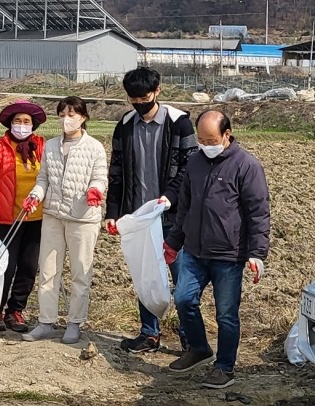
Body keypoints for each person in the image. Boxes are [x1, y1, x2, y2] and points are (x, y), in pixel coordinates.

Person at [163, 109, 270, 389]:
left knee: (226, 314)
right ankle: (199, 348)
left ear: (227, 135)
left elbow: (258, 213)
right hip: (194, 251)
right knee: (184, 299)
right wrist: (173, 242)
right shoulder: (195, 163)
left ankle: (224, 367)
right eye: (201, 140)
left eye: (211, 140)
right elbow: (184, 206)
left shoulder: (247, 166)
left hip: (229, 255)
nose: (206, 146)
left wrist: (257, 253)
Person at [105, 67, 198, 354]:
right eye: (132, 98)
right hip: (139, 217)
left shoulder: (179, 123)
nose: (138, 103)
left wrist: (170, 197)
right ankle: (149, 333)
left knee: (182, 279)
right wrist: (112, 211)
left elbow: (189, 168)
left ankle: (190, 337)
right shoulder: (125, 125)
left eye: (143, 97)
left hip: (173, 217)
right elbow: (116, 171)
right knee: (144, 275)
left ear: (158, 90)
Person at [22, 96, 107, 345]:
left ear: (83, 117)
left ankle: (74, 323)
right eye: (62, 114)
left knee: (81, 271)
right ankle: (45, 322)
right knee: (48, 270)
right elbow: (43, 179)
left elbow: (100, 177)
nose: (66, 119)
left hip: (83, 218)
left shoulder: (94, 147)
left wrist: (95, 191)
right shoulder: (50, 146)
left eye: (72, 114)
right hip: (53, 215)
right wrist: (35, 196)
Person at [0, 100, 47, 333]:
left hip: (36, 218)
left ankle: (16, 310)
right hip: (7, 217)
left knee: (28, 266)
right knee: (5, 266)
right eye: (18, 121)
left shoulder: (42, 147)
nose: (22, 126)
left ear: (33, 126)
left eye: (27, 122)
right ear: (10, 123)